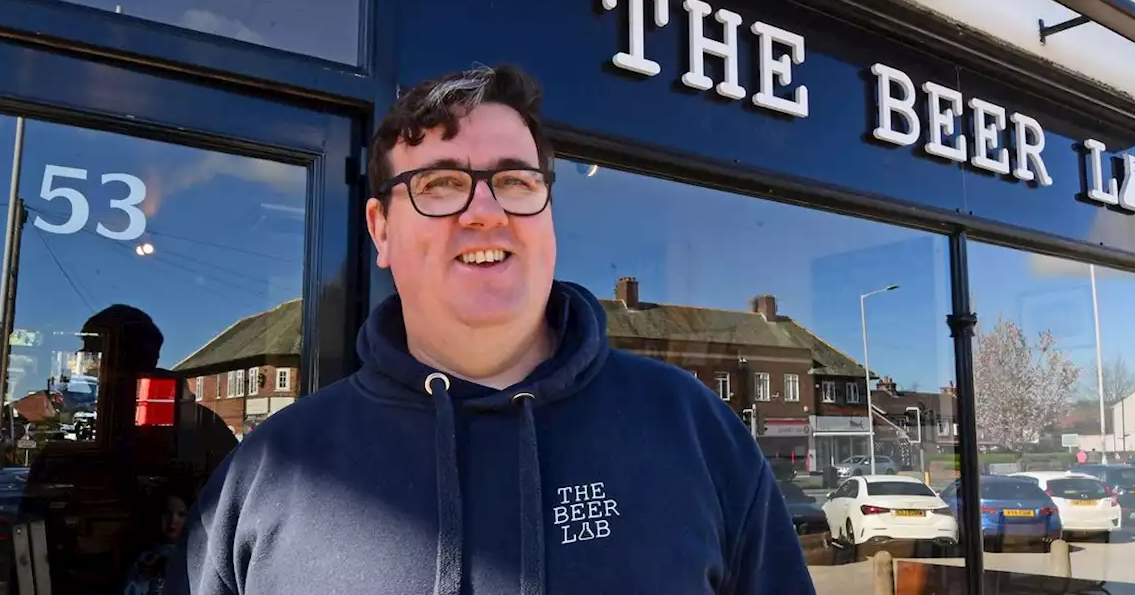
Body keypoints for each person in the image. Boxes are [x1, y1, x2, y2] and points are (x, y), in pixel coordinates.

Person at [164, 64, 814, 594]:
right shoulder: (269, 475)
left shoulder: (693, 431)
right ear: (381, 229)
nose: (485, 211)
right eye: (442, 185)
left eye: (513, 180)